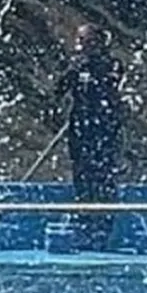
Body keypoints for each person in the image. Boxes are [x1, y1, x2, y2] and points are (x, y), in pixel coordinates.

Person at [54, 23, 124, 252]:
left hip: (105, 131)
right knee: (82, 177)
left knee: (104, 177)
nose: (81, 46)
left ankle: (104, 227)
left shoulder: (111, 64)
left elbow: (112, 88)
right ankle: (85, 225)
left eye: (86, 41)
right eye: (80, 41)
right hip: (80, 132)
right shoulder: (75, 66)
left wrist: (93, 71)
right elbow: (58, 89)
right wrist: (73, 71)